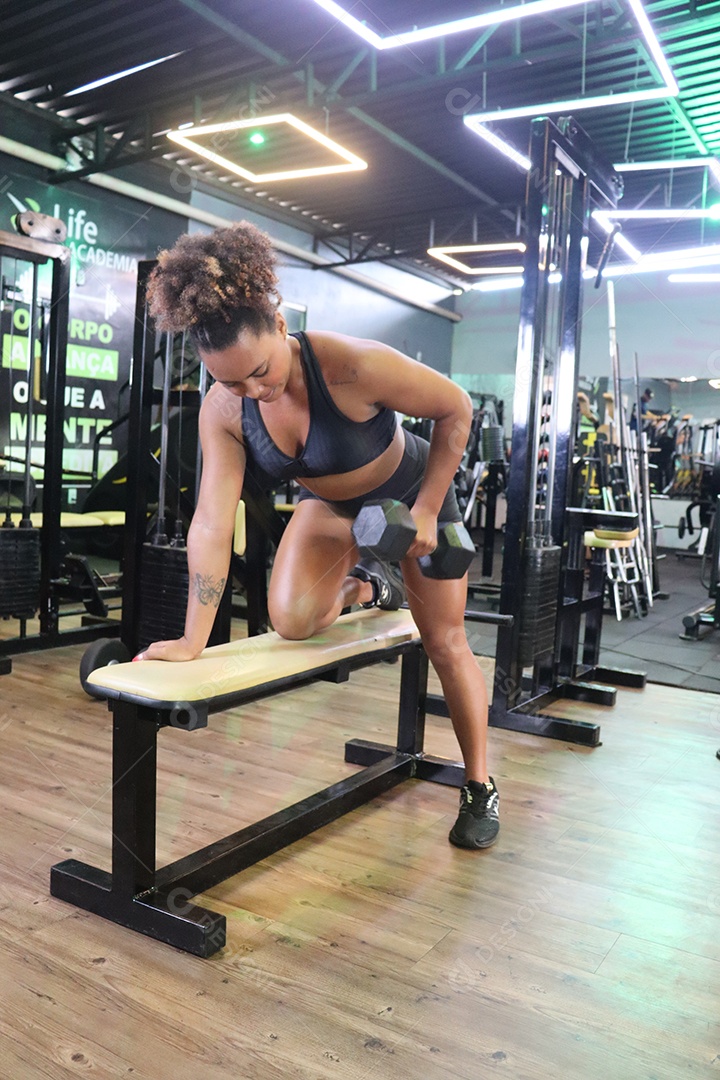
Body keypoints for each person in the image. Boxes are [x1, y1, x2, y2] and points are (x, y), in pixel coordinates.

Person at [136, 221, 499, 850]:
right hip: (331, 511)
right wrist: (193, 638)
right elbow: (212, 520)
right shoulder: (224, 408)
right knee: (293, 621)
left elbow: (455, 409)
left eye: (260, 371)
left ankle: (480, 786)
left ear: (279, 325)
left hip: (410, 499)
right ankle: (366, 587)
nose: (254, 390)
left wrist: (429, 507)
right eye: (231, 382)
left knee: (444, 641)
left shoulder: (352, 365)